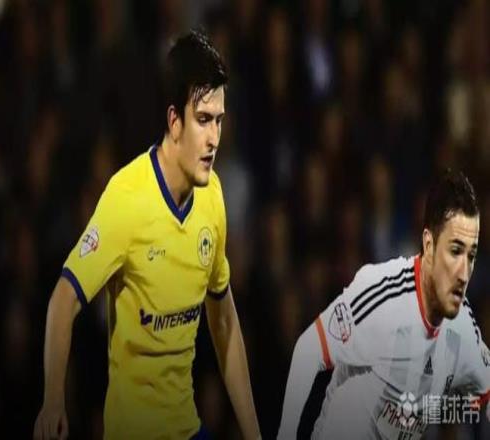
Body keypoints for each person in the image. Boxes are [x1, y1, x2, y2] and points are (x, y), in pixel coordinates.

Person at [34, 30, 261, 440]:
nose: (214, 138)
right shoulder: (127, 199)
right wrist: (53, 401)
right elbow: (63, 300)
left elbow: (225, 322)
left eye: (219, 120)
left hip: (187, 429)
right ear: (174, 121)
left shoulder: (212, 198)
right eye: (203, 120)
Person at [278, 170, 490, 439]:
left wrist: (435, 410)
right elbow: (308, 351)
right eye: (456, 251)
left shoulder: (463, 329)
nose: (464, 272)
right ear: (429, 244)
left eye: (471, 255)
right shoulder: (384, 294)